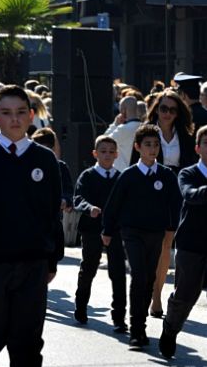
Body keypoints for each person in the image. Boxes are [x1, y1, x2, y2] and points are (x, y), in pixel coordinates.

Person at [0, 85, 63, 367]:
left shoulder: (45, 160)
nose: (14, 119)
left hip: (32, 267)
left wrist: (51, 259)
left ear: (31, 116)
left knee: (27, 347)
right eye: (6, 112)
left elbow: (52, 214)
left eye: (21, 112)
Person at [102, 124, 182, 348]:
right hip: (132, 232)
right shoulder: (129, 175)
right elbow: (114, 204)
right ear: (137, 147)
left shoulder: (166, 175)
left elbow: (176, 204)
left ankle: (142, 322)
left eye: (156, 145)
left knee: (149, 278)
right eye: (147, 145)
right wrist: (107, 230)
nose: (152, 149)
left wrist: (173, 226)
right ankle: (136, 329)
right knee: (138, 275)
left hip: (156, 232)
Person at [159, 124, 207, 364]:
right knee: (186, 294)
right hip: (190, 243)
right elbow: (188, 193)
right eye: (206, 143)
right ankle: (170, 329)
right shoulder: (187, 173)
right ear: (198, 148)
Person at [139, 90, 197, 318]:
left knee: (166, 246)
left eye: (173, 110)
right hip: (151, 190)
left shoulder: (184, 134)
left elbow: (190, 164)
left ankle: (156, 297)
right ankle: (146, 290)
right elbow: (137, 165)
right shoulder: (146, 133)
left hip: (176, 192)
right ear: (156, 109)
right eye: (163, 108)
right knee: (149, 247)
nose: (167, 114)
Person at [73, 136, 127, 329]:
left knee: (118, 272)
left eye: (111, 152)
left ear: (116, 154)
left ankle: (119, 317)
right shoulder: (87, 176)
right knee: (88, 268)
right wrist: (90, 208)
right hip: (91, 229)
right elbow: (78, 198)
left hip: (115, 230)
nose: (107, 155)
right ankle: (80, 308)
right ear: (95, 154)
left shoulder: (121, 177)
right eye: (103, 151)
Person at [104, 96, 142, 172]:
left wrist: (115, 124)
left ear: (123, 111)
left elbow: (104, 141)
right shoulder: (144, 127)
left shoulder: (122, 129)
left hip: (123, 173)